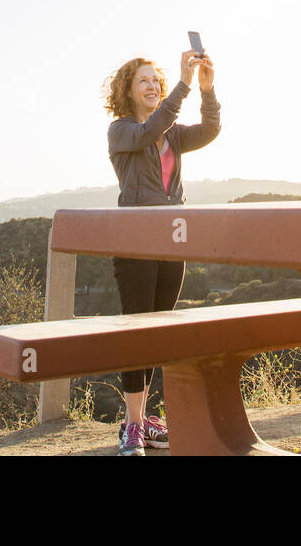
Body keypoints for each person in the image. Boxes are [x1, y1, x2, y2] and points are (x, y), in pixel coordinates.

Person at [102, 48, 220, 455]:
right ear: (128, 91)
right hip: (134, 242)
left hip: (171, 241)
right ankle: (131, 426)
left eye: (157, 80)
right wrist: (184, 86)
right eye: (144, 81)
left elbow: (208, 131)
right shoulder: (122, 131)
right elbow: (149, 130)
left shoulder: (171, 133)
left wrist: (206, 90)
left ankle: (144, 420)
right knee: (136, 331)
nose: (153, 85)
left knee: (156, 332)